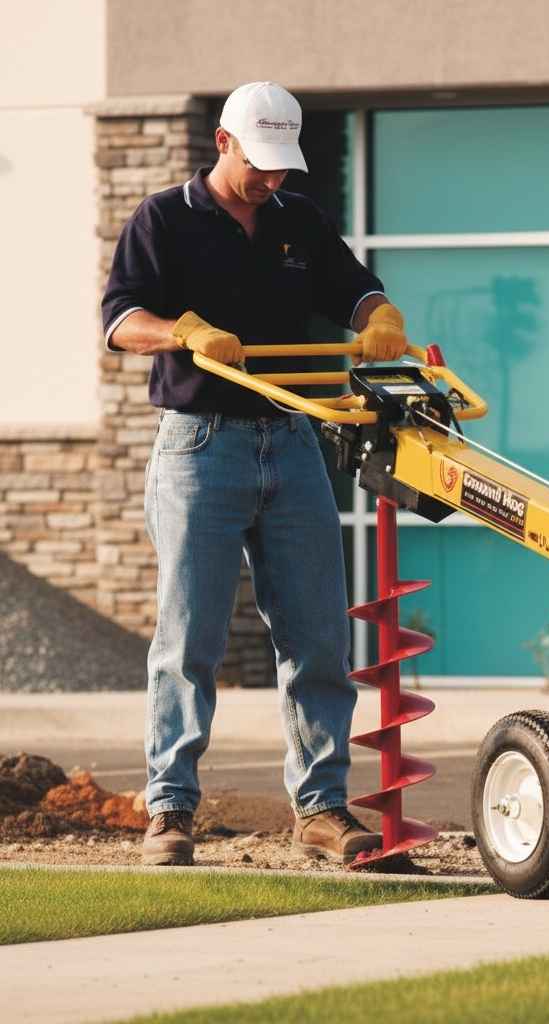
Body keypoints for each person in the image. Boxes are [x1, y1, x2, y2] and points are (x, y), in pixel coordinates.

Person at [101, 81, 408, 866]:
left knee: (316, 635)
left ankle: (322, 809)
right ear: (223, 143)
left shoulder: (298, 220)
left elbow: (351, 285)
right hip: (200, 446)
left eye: (282, 166)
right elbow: (119, 318)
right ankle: (169, 811)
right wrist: (184, 332)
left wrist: (378, 314)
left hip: (292, 439)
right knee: (189, 637)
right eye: (260, 164)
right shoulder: (163, 219)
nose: (271, 180)